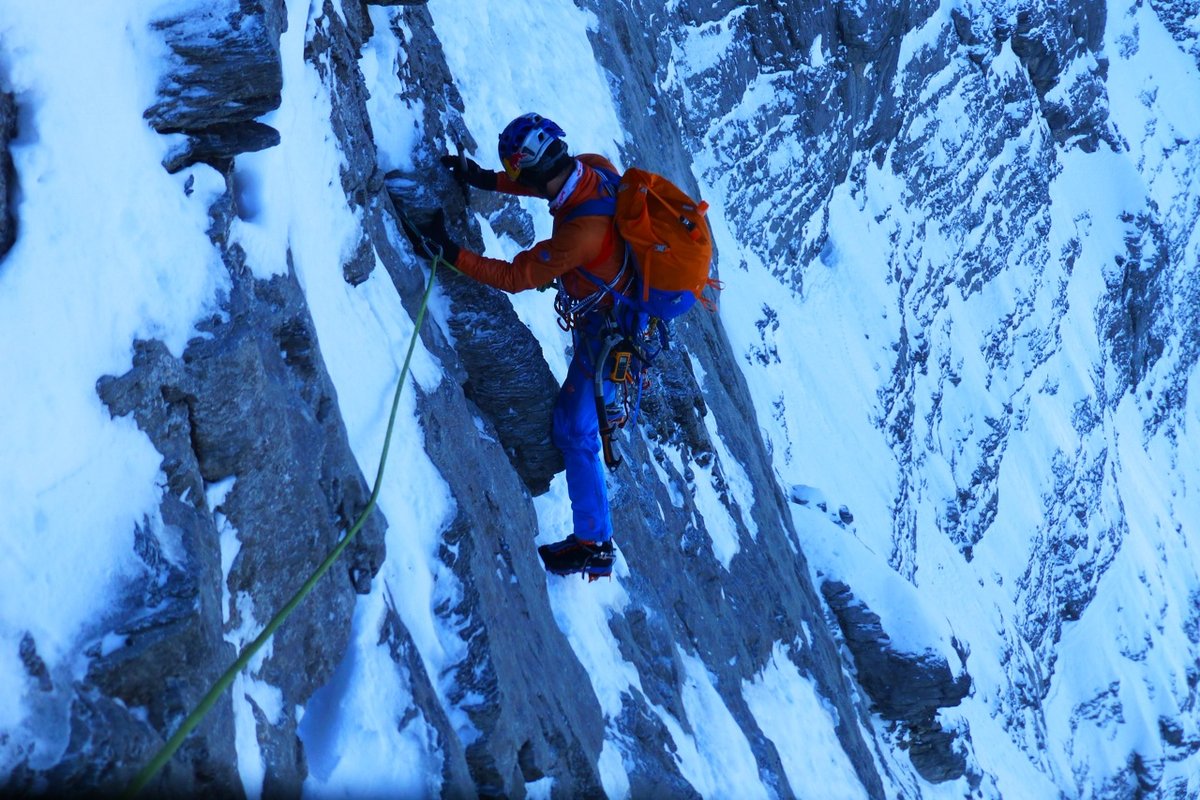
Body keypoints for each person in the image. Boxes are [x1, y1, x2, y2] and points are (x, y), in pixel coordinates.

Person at [401, 113, 637, 581]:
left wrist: (449, 253)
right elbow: (546, 185)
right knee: (581, 428)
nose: (514, 178)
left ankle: (595, 545)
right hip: (616, 319)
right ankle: (594, 541)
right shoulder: (592, 167)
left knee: (576, 432)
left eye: (513, 171)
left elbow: (514, 277)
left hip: (613, 339)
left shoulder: (580, 236)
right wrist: (483, 179)